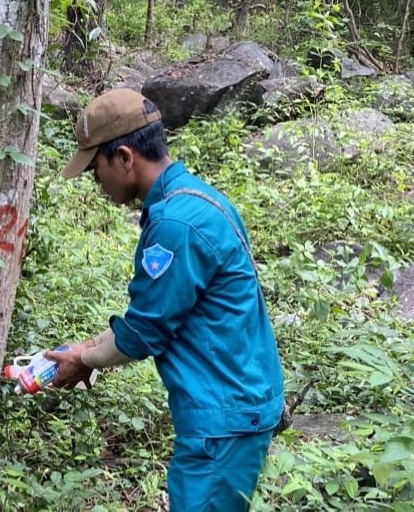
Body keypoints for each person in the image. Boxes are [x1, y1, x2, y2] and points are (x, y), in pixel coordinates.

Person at [45, 88, 285, 511]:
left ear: (123, 157)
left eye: (94, 168)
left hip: (222, 421)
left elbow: (142, 335)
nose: (95, 181)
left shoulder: (177, 225)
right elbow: (155, 314)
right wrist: (84, 349)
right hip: (232, 408)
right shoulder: (198, 199)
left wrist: (82, 359)